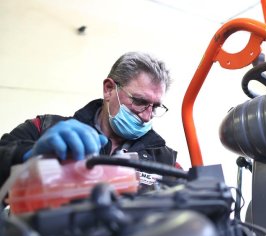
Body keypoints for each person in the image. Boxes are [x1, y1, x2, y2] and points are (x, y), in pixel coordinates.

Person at [0, 51, 179, 188]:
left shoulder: (164, 159)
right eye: (140, 101)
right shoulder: (43, 128)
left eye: (155, 107)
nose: (147, 116)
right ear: (109, 90)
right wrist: (29, 156)